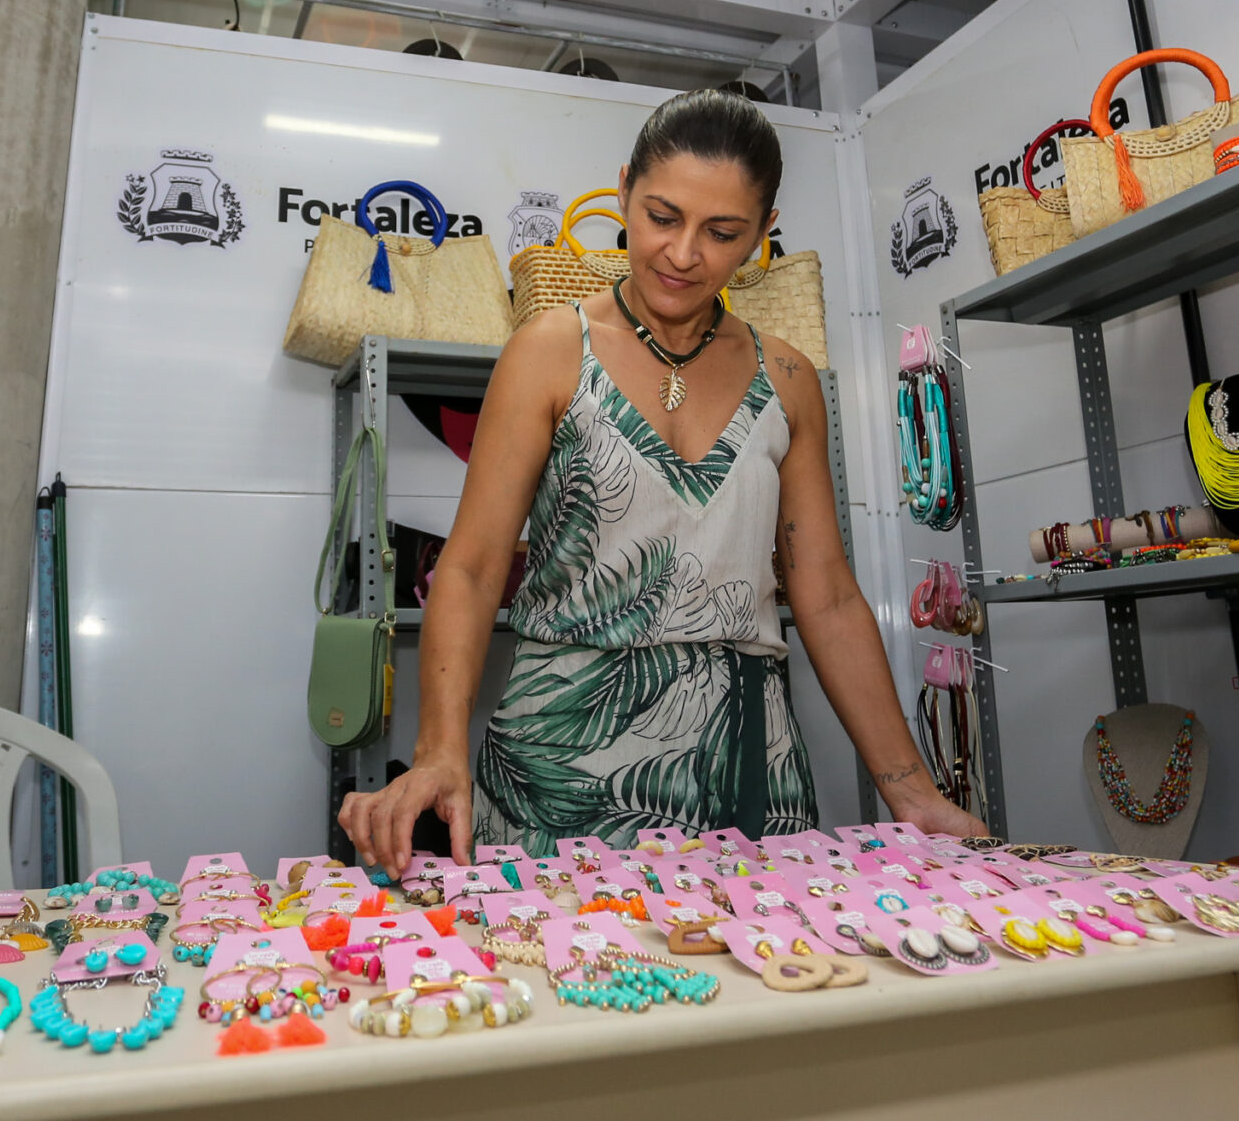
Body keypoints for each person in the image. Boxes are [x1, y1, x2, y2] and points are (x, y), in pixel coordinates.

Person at [337, 89, 985, 870]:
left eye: (722, 233)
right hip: (561, 769)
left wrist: (911, 790)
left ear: (763, 233)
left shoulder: (787, 377)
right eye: (662, 217)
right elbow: (472, 570)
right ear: (624, 193)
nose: (683, 254)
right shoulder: (551, 349)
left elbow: (827, 592)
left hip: (748, 768)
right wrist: (440, 750)